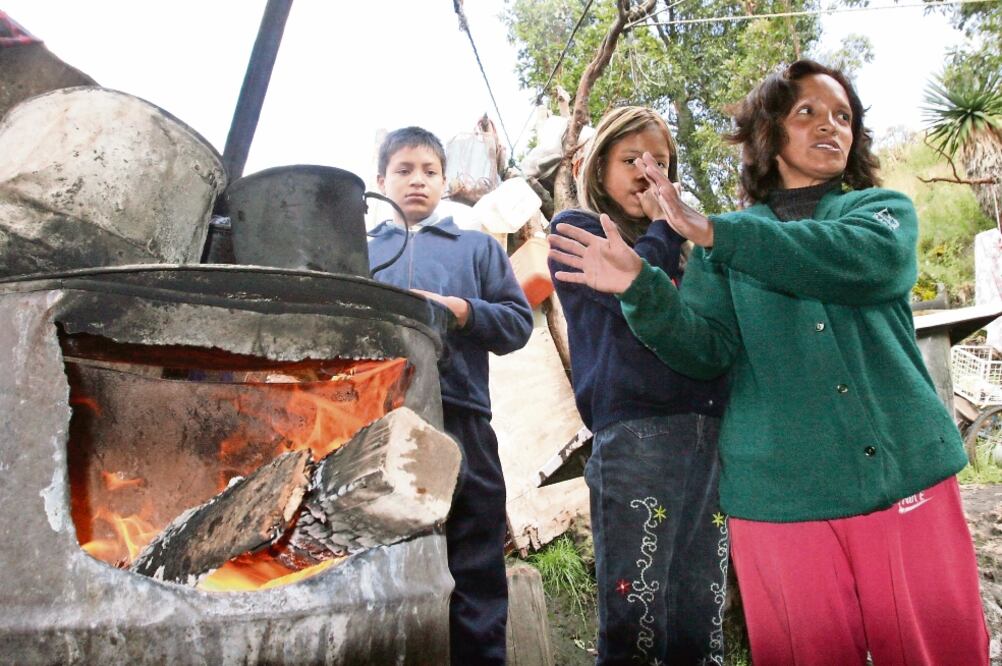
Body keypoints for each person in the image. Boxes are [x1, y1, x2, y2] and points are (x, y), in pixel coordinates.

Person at [549, 60, 989, 665]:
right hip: (780, 503)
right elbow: (704, 349)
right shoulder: (716, 243)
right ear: (768, 134)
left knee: (933, 650)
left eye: (843, 116)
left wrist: (714, 236)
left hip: (904, 476)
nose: (829, 126)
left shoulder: (879, 212)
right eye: (805, 112)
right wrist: (641, 289)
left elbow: (867, 261)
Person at [548, 106, 729, 665]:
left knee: (702, 608)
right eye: (631, 160)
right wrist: (660, 229)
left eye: (661, 164)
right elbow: (630, 295)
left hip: (710, 439)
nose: (648, 173)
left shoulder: (690, 250)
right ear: (598, 166)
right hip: (637, 440)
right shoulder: (574, 230)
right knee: (638, 619)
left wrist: (676, 237)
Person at [367, 126, 533, 665]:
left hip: (463, 424)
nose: (417, 181)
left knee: (475, 562)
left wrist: (461, 309)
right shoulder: (361, 255)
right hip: (375, 427)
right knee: (375, 561)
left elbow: (516, 325)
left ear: (444, 181)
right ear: (380, 181)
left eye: (429, 171)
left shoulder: (477, 249)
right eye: (404, 170)